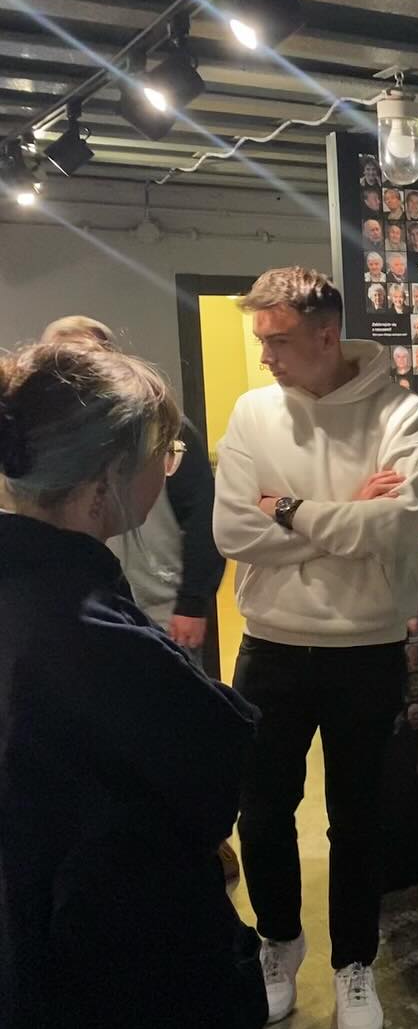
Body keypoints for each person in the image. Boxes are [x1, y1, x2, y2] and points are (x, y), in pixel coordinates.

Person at [0, 340, 265, 1029]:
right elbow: (209, 790)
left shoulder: (30, 598)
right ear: (104, 483)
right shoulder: (98, 642)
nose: (169, 468)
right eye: (163, 455)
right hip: (117, 971)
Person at [212, 268, 418, 1029]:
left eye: (278, 341)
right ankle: (280, 940)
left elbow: (396, 524)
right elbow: (232, 531)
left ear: (326, 334)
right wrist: (343, 518)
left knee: (359, 818)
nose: (265, 357)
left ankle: (354, 964)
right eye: (261, 341)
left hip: (366, 647)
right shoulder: (252, 414)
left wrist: (286, 509)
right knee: (262, 811)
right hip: (271, 644)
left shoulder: (401, 413)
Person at [41, 317, 226, 668]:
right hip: (63, 609)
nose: (75, 372)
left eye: (87, 356)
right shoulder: (35, 441)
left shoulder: (164, 428)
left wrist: (192, 604)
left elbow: (205, 517)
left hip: (158, 613)